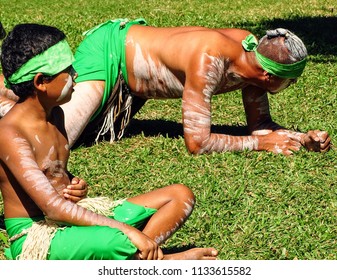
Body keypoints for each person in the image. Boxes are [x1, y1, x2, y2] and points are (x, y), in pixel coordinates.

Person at [0, 23, 218, 260]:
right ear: (41, 81)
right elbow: (51, 207)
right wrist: (126, 230)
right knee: (118, 238)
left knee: (179, 196)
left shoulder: (56, 114)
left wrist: (73, 182)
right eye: (68, 70)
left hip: (71, 217)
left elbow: (49, 171)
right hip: (38, 232)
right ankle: (156, 260)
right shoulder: (10, 134)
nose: (76, 75)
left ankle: (139, 258)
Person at [0, 18, 331, 155]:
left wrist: (302, 139)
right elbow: (197, 143)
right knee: (54, 143)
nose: (294, 85)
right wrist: (258, 145)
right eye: (293, 79)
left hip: (130, 66)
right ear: (271, 77)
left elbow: (260, 126)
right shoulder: (211, 60)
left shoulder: (252, 63)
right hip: (111, 53)